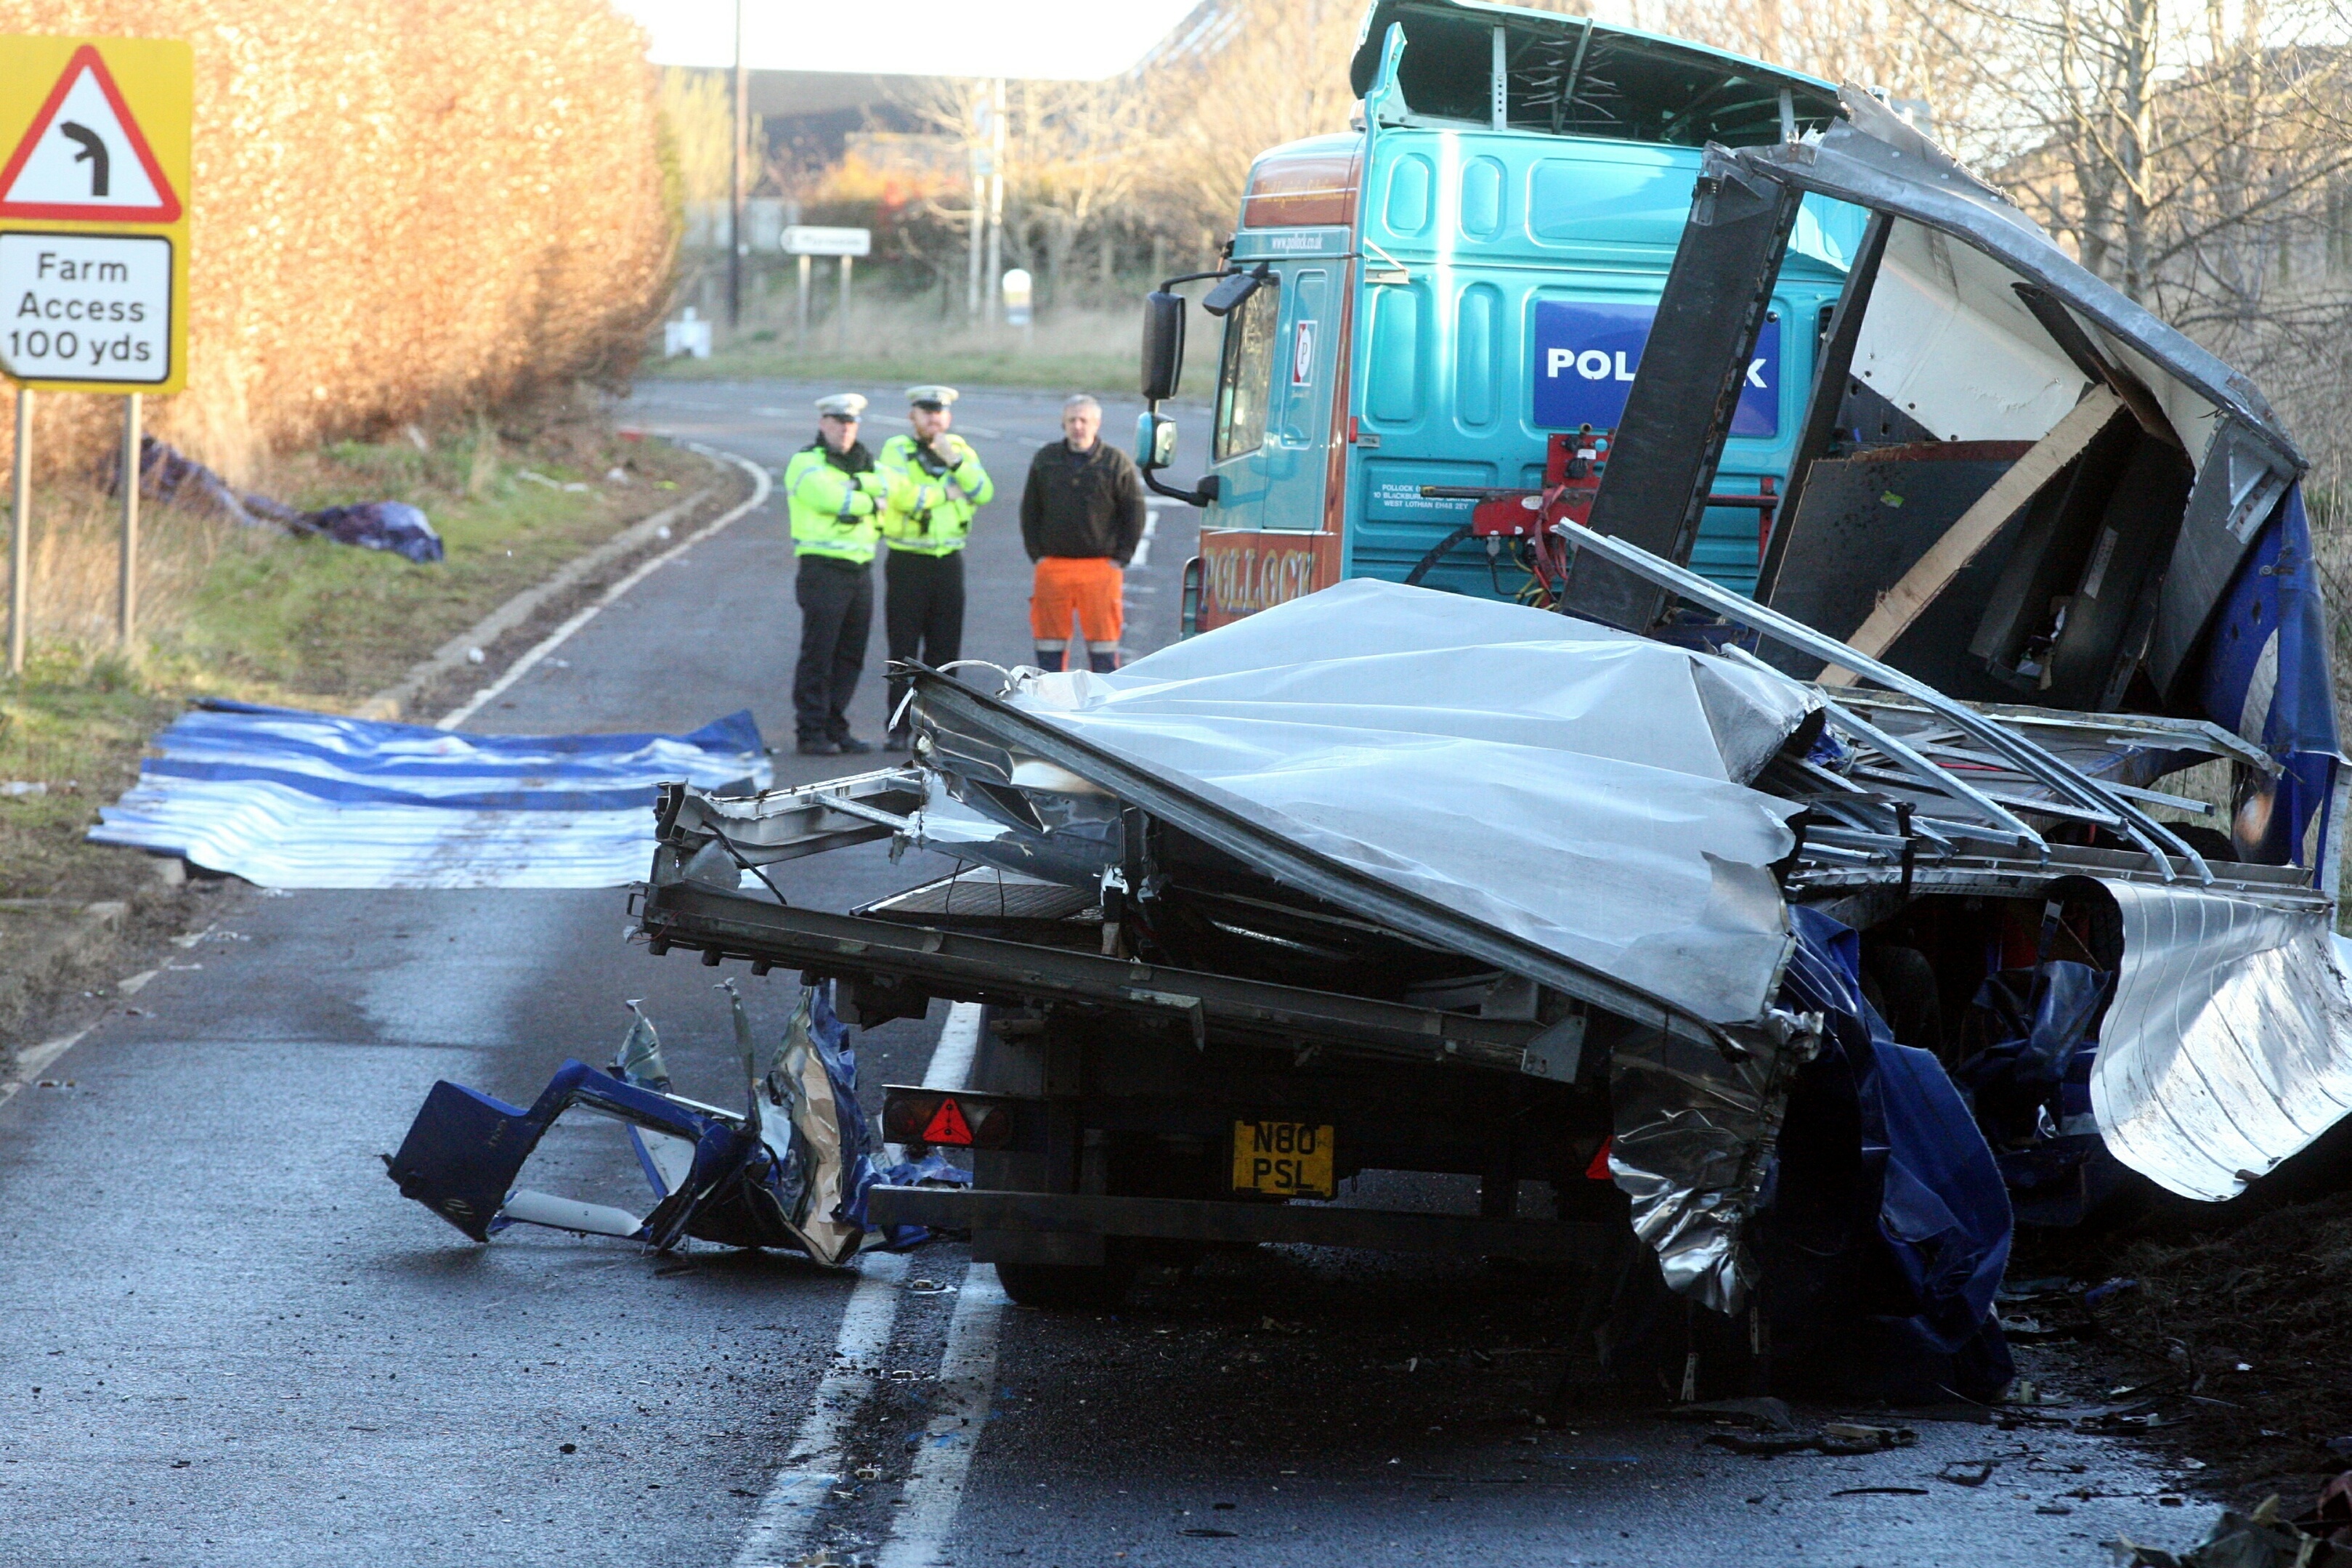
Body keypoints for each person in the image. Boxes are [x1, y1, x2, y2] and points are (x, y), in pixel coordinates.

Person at [783, 392, 903, 756]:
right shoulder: (806, 461)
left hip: (860, 570)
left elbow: (892, 488)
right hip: (823, 570)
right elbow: (833, 500)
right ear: (824, 424)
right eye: (838, 422)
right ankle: (811, 730)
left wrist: (858, 488)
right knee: (819, 652)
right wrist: (867, 496)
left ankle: (836, 726)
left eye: (851, 423)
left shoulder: (866, 462)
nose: (845, 429)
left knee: (851, 654)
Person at [876, 385, 994, 750]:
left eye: (939, 412)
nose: (933, 418)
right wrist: (946, 493)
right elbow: (899, 493)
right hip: (908, 559)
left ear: (948, 417)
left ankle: (941, 729)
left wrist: (956, 463)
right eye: (926, 412)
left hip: (947, 560)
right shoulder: (897, 449)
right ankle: (898, 726)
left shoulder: (959, 449)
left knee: (946, 650)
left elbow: (984, 491)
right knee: (904, 648)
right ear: (913, 416)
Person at [1019, 393, 1147, 673]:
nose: (1078, 426)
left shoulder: (1115, 462)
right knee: (1049, 645)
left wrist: (1122, 557)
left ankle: (1102, 704)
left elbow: (1134, 512)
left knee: (1104, 646)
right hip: (1053, 566)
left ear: (1097, 423)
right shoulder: (1046, 459)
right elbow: (1030, 510)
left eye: (1084, 420)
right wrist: (1037, 555)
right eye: (1072, 420)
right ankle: (1049, 705)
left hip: (1100, 568)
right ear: (1063, 424)